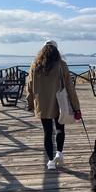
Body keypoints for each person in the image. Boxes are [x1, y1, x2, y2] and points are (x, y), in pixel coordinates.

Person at [26, 40, 82, 170]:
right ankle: (59, 154)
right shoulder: (62, 65)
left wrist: (30, 103)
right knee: (60, 129)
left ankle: (50, 161)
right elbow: (70, 87)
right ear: (56, 51)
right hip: (59, 103)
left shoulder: (35, 65)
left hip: (42, 103)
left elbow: (29, 86)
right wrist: (76, 107)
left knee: (47, 132)